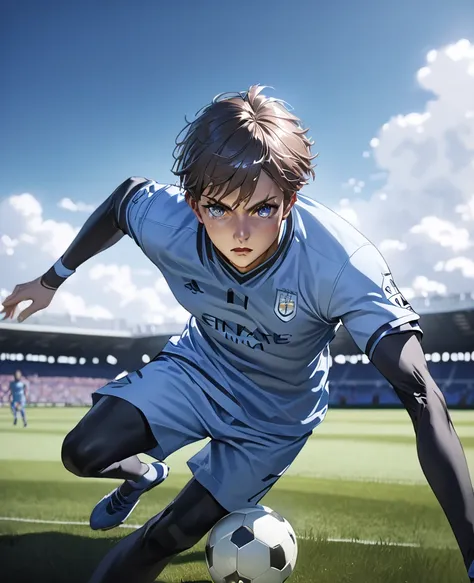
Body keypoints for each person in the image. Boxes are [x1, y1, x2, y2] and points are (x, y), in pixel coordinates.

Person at [2, 85, 474, 582]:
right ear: (193, 204)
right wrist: (51, 278)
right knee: (81, 453)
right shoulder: (171, 222)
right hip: (198, 369)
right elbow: (125, 199)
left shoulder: (341, 264)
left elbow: (422, 395)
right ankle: (142, 472)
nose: (240, 233)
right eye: (220, 208)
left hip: (273, 419)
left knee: (166, 537)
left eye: (263, 209)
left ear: (290, 200)